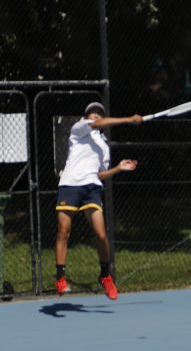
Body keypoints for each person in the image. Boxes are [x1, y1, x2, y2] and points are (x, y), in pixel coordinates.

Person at [55, 101, 142, 299]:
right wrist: (129, 119)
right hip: (69, 184)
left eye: (99, 113)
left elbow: (100, 174)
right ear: (86, 117)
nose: (95, 115)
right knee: (63, 231)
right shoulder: (78, 129)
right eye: (91, 113)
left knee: (101, 235)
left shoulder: (103, 146)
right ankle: (60, 278)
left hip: (92, 188)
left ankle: (105, 276)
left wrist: (118, 168)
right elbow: (95, 124)